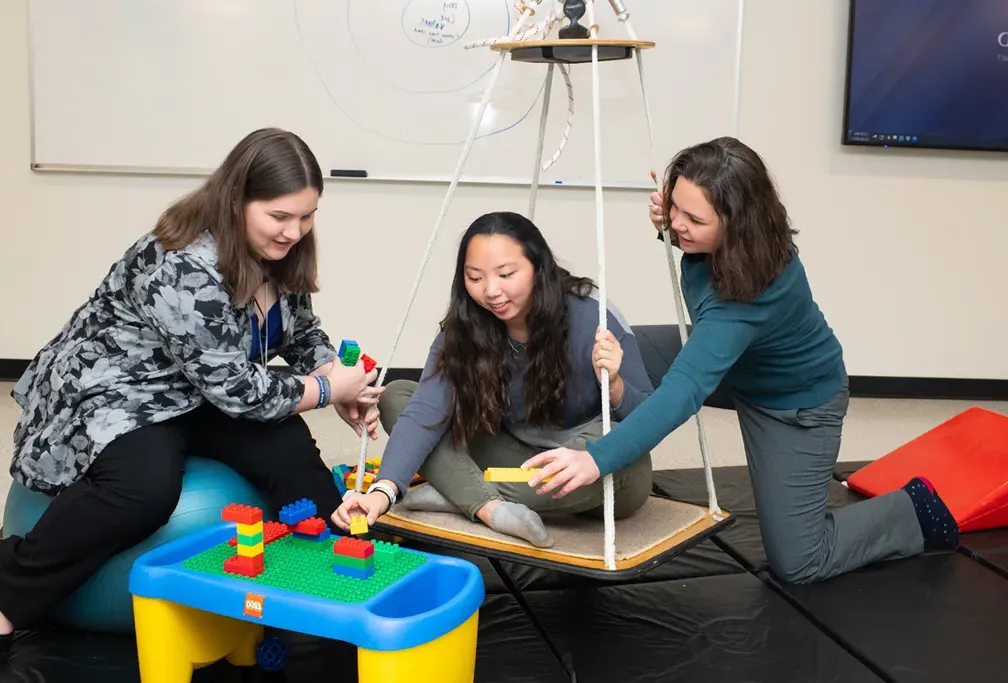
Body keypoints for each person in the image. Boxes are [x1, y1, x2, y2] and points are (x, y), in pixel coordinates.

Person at [0, 128, 383, 657]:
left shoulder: (280, 249)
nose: (295, 231)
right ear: (237, 200)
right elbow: (241, 393)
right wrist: (329, 387)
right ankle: (3, 589)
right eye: (280, 217)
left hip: (199, 390)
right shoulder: (181, 263)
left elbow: (300, 332)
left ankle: (332, 564)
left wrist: (333, 373)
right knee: (144, 489)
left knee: (285, 444)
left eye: (307, 216)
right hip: (119, 390)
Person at [519, 137, 959, 583]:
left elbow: (684, 392)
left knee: (800, 561)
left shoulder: (749, 295)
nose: (677, 224)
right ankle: (567, 433)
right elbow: (687, 234)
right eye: (674, 207)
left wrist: (597, 460)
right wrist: (670, 223)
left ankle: (913, 511)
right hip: (736, 366)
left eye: (693, 219)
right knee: (609, 346)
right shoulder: (734, 239)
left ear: (736, 226)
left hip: (794, 406)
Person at [330, 211, 655, 547]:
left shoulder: (594, 314)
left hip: (584, 460)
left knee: (623, 460)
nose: (491, 291)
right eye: (475, 277)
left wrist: (614, 384)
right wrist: (381, 492)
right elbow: (423, 412)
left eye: (506, 274)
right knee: (397, 395)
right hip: (507, 452)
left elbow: (648, 418)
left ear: (538, 266)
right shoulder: (466, 325)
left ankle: (459, 493)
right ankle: (490, 507)